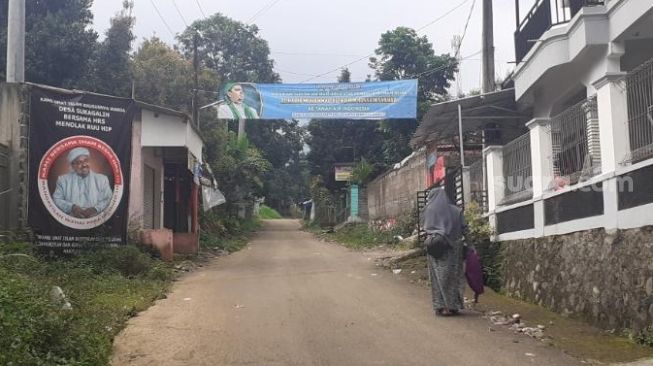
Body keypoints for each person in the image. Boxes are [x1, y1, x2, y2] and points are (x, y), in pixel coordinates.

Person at [420, 187, 467, 316]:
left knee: (437, 278)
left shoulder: (428, 210)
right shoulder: (456, 211)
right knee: (453, 278)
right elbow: (465, 229)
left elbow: (425, 227)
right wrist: (471, 246)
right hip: (454, 249)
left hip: (436, 248)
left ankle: (440, 306)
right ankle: (453, 306)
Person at [52, 147, 113, 218]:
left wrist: (95, 209)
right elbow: (57, 199)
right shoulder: (63, 180)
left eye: (86, 161)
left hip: (95, 219)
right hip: (71, 219)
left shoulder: (102, 179)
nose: (84, 165)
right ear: (73, 166)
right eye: (79, 162)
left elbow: (108, 198)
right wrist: (72, 207)